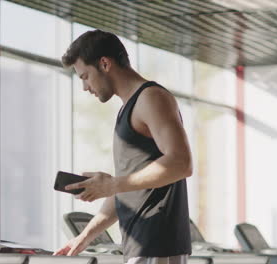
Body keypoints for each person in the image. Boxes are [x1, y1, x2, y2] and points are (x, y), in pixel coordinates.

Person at [53, 29, 193, 264]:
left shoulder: (152, 98)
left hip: (157, 244)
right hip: (142, 245)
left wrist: (113, 184)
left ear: (105, 64)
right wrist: (86, 236)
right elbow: (127, 188)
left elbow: (181, 163)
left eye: (85, 76)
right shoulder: (129, 108)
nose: (85, 87)